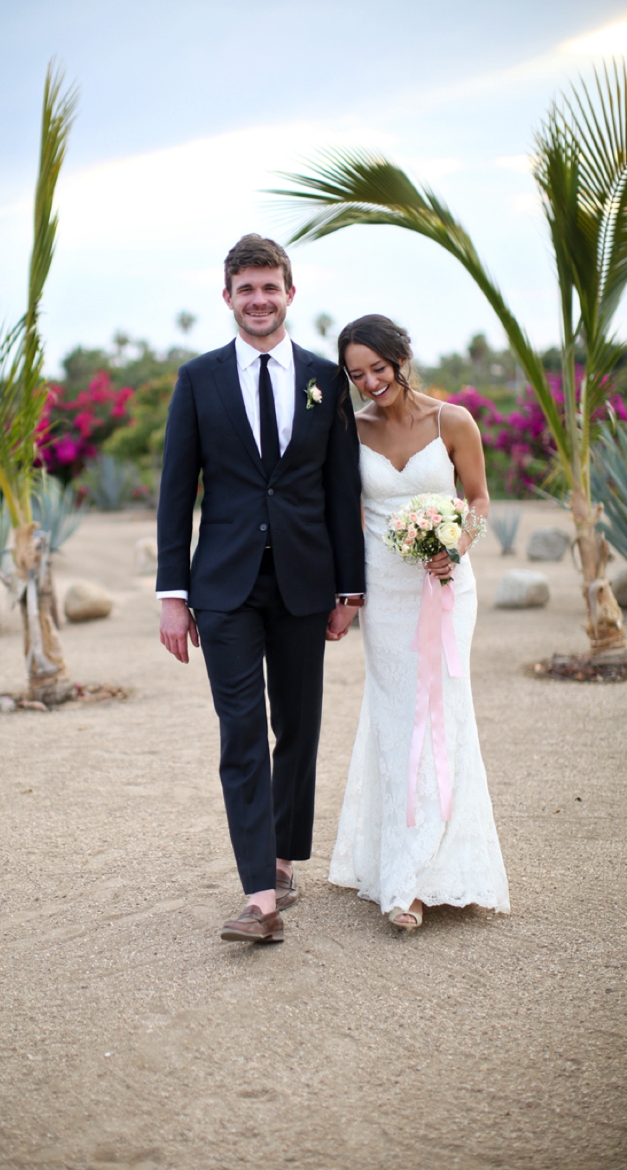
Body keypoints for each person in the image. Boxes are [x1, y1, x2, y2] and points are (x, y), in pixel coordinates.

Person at [156, 234, 365, 944]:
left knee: (297, 726)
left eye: (269, 287)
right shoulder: (198, 379)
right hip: (224, 586)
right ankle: (259, 897)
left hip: (307, 580)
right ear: (228, 298)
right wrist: (171, 594)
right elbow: (175, 491)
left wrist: (349, 588)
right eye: (246, 289)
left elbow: (341, 488)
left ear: (290, 293)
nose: (258, 300)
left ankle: (281, 857)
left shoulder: (324, 380)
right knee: (241, 730)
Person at [329, 314, 510, 930]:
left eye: (378, 368)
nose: (370, 383)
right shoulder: (349, 431)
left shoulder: (452, 421)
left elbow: (479, 498)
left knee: (442, 713)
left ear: (401, 357)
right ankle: (401, 875)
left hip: (446, 587)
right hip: (385, 593)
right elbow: (346, 515)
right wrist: (347, 595)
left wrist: (457, 545)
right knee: (395, 715)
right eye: (357, 375)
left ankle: (431, 869)